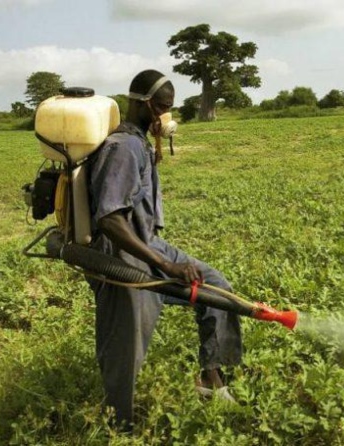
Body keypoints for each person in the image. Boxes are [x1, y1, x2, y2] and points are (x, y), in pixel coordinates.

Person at [86, 69, 243, 431]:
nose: (164, 114)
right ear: (139, 102)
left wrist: (161, 258)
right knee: (126, 346)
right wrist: (164, 266)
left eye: (168, 108)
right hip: (121, 256)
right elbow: (109, 218)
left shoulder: (139, 141)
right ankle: (118, 426)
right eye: (159, 106)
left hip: (149, 245)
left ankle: (210, 380)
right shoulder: (122, 148)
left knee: (216, 288)